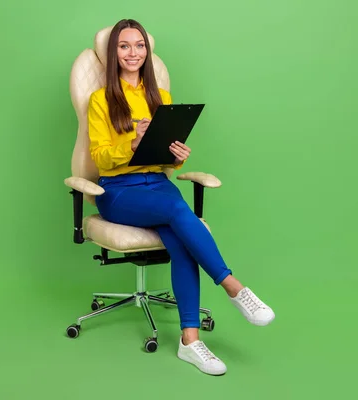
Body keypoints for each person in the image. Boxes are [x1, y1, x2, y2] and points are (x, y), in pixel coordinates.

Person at [87, 18, 275, 376]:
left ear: (147, 51)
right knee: (176, 207)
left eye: (139, 45)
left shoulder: (162, 99)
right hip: (116, 191)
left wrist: (174, 156)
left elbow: (163, 161)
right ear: (113, 53)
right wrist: (132, 141)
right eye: (124, 46)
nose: (133, 52)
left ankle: (190, 341)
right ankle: (233, 287)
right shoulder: (101, 100)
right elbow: (99, 157)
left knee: (181, 240)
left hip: (157, 184)